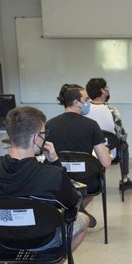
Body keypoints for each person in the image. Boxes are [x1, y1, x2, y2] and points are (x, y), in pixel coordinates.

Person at [0, 106, 89, 264]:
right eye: (43, 133)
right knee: (84, 220)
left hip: (4, 241)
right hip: (42, 240)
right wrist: (55, 162)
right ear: (36, 138)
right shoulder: (52, 175)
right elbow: (73, 203)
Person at [46, 83, 111, 227]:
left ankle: (73, 209)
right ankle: (78, 208)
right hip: (87, 181)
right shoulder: (91, 125)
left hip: (59, 181)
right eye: (86, 100)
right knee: (94, 177)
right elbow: (106, 162)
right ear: (76, 102)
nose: (89, 103)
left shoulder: (50, 125)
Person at [85, 77, 132, 191]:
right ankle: (124, 179)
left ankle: (92, 178)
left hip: (88, 152)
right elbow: (120, 135)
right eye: (106, 88)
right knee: (124, 145)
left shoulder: (84, 110)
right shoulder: (112, 111)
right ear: (102, 91)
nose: (108, 90)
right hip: (109, 153)